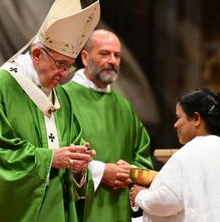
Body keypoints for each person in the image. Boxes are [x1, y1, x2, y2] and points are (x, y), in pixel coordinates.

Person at [0, 0, 100, 221]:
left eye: (70, 65)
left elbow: (71, 145)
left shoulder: (62, 96)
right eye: (60, 64)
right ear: (37, 54)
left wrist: (78, 165)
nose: (65, 73)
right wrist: (50, 159)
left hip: (57, 209)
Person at [63, 29, 153, 222]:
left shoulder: (124, 106)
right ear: (85, 57)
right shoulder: (64, 99)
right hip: (81, 210)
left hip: (119, 210)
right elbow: (57, 154)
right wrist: (101, 171)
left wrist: (131, 171)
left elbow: (142, 153)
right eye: (104, 53)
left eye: (117, 55)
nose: (112, 60)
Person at [130, 87, 220, 222]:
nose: (175, 124)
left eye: (179, 117)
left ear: (196, 118)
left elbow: (166, 201)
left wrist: (140, 195)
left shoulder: (190, 153)